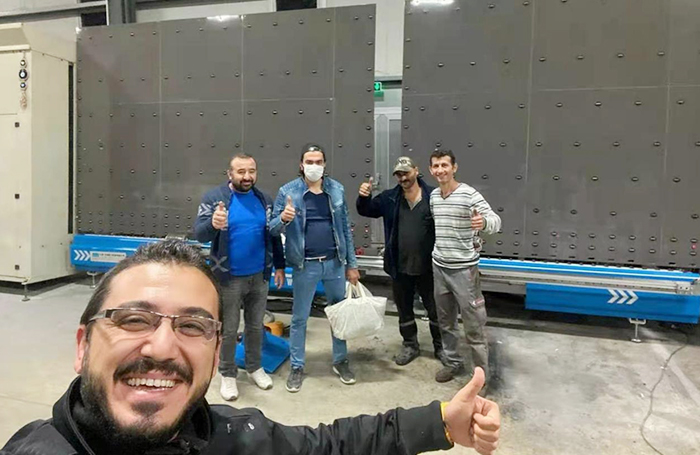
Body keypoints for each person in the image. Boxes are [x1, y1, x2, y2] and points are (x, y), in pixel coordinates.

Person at [1, 240, 500, 455]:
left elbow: (328, 446)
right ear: (83, 345)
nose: (162, 346)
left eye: (192, 326)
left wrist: (440, 423)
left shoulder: (232, 437)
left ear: (218, 348)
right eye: (134, 319)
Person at [270, 143, 361, 393]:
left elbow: (345, 229)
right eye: (309, 162)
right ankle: (297, 366)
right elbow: (272, 228)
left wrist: (352, 264)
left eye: (318, 162)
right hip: (305, 266)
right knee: (299, 318)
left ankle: (340, 361)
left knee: (338, 315)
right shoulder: (287, 191)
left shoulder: (336, 189)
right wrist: (284, 218)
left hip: (334, 264)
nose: (314, 166)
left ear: (324, 164)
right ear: (301, 165)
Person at [194, 153, 285, 401]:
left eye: (251, 171)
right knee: (229, 329)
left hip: (260, 276)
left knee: (255, 326)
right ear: (230, 174)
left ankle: (255, 367)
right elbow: (200, 234)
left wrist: (279, 265)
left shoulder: (264, 200)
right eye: (241, 171)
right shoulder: (215, 199)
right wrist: (213, 224)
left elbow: (274, 235)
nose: (247, 176)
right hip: (229, 278)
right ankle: (228, 373)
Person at [356, 156, 444, 366]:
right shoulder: (390, 198)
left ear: (416, 171)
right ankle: (410, 345)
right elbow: (366, 210)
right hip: (399, 265)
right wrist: (364, 197)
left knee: (436, 310)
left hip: (429, 267)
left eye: (406, 173)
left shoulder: (434, 196)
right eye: (399, 174)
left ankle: (441, 347)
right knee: (404, 309)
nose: (403, 178)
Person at [428, 150, 502, 384]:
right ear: (431, 170)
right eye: (436, 166)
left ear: (454, 168)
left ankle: (480, 378)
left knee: (474, 326)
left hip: (464, 271)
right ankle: (452, 362)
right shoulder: (434, 196)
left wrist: (484, 222)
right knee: (446, 322)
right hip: (439, 268)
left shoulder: (469, 194)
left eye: (444, 165)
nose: (440, 170)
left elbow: (496, 221)